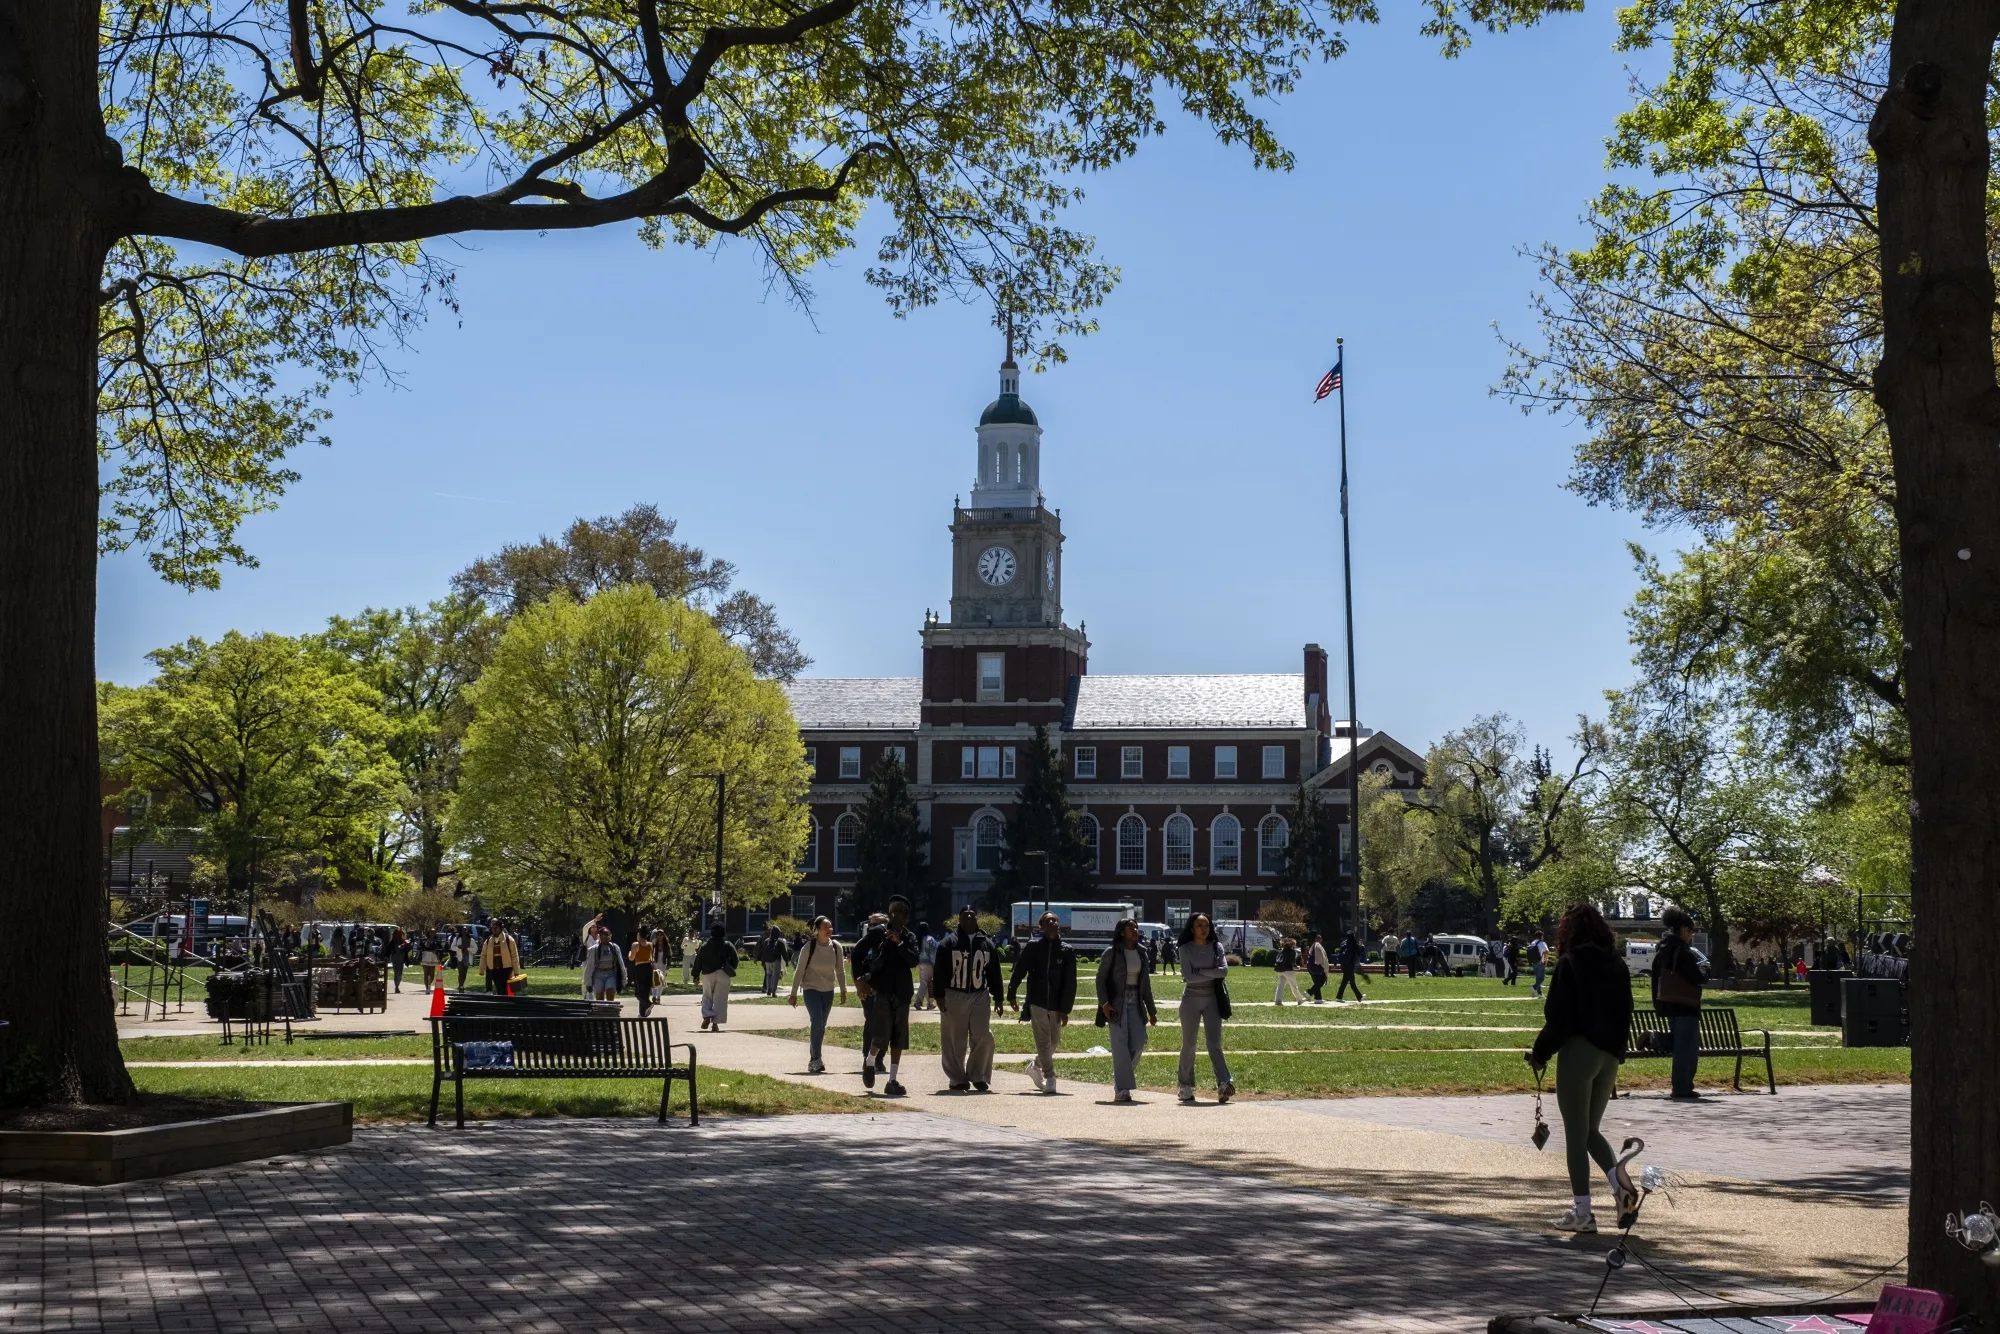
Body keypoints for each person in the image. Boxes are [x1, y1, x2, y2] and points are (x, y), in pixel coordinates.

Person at [1527, 902, 1639, 1234]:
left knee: (1575, 1135)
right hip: (1609, 1055)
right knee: (1591, 1130)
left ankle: (1583, 1211)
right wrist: (1617, 1051)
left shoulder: (1570, 964)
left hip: (1579, 1051)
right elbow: (1627, 1010)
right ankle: (1620, 1188)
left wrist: (1540, 1053)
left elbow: (1559, 1017)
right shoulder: (1617, 964)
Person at [851, 897, 919, 1095]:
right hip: (882, 990)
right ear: (892, 914)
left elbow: (914, 959)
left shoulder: (909, 936)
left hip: (903, 992)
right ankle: (870, 1061)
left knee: (899, 1037)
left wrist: (899, 944)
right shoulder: (878, 933)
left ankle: (892, 1080)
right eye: (902, 912)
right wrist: (859, 981)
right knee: (880, 1034)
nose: (906, 916)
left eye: (908, 912)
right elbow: (857, 952)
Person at [935, 904, 1005, 1092]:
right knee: (954, 1039)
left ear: (977, 919)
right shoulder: (948, 943)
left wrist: (999, 997)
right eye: (964, 916)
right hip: (953, 994)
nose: (968, 919)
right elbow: (939, 971)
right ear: (959, 920)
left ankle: (978, 1075)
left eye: (972, 916)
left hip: (979, 994)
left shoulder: (987, 944)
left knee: (983, 1035)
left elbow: (994, 973)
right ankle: (957, 1078)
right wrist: (939, 995)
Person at [1009, 910, 1079, 1094]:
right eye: (1049, 921)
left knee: (1054, 1041)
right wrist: (1012, 993)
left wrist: (1065, 1009)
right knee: (1043, 1042)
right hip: (1037, 1001)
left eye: (1055, 920)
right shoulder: (1033, 947)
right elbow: (1019, 971)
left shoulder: (1066, 950)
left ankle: (1035, 1065)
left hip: (1056, 1003)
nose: (1053, 923)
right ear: (1041, 926)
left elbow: (1070, 983)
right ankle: (1050, 1077)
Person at [1096, 918, 1159, 1103]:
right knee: (1120, 1045)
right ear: (1122, 932)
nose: (1135, 930)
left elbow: (1145, 984)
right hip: (1117, 1003)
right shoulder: (1112, 952)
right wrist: (1104, 1003)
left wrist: (1152, 1010)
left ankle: (1121, 1077)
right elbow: (1100, 979)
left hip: (1136, 1002)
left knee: (1139, 1042)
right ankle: (1122, 1089)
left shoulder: (1142, 953)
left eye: (1136, 927)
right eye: (1131, 928)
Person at [1176, 912, 1233, 1104]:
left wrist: (1199, 971)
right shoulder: (1185, 948)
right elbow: (1188, 977)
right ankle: (1185, 1086)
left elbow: (1224, 971)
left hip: (1212, 999)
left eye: (1206, 925)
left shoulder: (1216, 947)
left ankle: (1224, 1083)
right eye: (1199, 925)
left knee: (1214, 1045)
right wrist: (1211, 973)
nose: (1203, 929)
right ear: (1192, 928)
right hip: (1190, 998)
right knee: (1189, 1045)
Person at [1652, 906, 1707, 1100]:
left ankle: (1656, 1039)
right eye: (1691, 932)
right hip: (1686, 1004)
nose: (1691, 936)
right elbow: (1696, 978)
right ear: (1684, 930)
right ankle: (1682, 1087)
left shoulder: (1663, 948)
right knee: (1687, 1048)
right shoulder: (1683, 951)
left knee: (1679, 1042)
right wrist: (1704, 972)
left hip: (1669, 1001)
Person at [788, 915, 848, 1074]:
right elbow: (799, 971)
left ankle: (814, 1058)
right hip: (811, 989)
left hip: (828, 990)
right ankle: (816, 1059)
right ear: (817, 930)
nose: (829, 930)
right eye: (825, 927)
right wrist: (793, 993)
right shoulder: (809, 947)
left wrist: (843, 990)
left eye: (831, 927)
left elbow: (840, 971)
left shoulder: (836, 947)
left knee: (821, 1027)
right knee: (817, 1021)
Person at [692, 924, 739, 1030]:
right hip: (723, 973)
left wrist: (696, 975)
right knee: (720, 999)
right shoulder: (727, 944)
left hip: (708, 973)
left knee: (707, 996)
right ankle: (715, 1024)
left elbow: (698, 961)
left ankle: (707, 1015)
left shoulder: (705, 946)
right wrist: (730, 967)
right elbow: (735, 960)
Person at [583, 924, 625, 1002]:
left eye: (607, 935)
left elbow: (621, 964)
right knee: (600, 1000)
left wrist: (624, 979)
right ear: (599, 936)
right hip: (598, 974)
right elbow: (590, 966)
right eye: (603, 935)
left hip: (611, 973)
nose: (606, 937)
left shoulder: (615, 948)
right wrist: (588, 983)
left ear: (611, 936)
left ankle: (610, 1013)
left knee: (610, 996)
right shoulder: (594, 949)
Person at [481, 920, 520, 994]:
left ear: (501, 928)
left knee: (504, 987)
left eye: (496, 927)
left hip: (506, 968)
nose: (494, 929)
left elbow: (514, 955)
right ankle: (501, 1003)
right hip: (493, 968)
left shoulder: (509, 939)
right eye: (493, 927)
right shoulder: (488, 940)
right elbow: (483, 955)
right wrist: (481, 969)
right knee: (498, 987)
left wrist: (516, 971)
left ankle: (504, 1003)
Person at [629, 926, 657, 1017]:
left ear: (638, 935)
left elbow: (631, 958)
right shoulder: (650, 944)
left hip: (640, 967)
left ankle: (648, 1004)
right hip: (649, 967)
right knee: (645, 991)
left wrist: (629, 953)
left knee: (638, 992)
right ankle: (642, 1013)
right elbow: (652, 957)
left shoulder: (635, 945)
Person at [757, 925, 789, 997]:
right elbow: (784, 953)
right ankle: (773, 992)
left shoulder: (766, 941)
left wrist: (763, 961)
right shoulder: (780, 942)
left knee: (769, 974)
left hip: (767, 961)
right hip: (776, 960)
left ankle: (768, 989)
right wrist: (786, 961)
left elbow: (763, 951)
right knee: (775, 976)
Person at [1273, 937, 1306, 1005]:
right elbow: (1293, 963)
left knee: (1280, 985)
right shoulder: (1292, 952)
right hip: (1288, 971)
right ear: (1291, 944)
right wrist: (1297, 967)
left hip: (1280, 970)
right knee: (1293, 985)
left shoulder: (1281, 951)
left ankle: (1278, 1000)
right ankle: (1299, 999)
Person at [915, 922, 940, 1011]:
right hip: (928, 964)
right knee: (925, 983)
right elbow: (933, 953)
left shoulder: (917, 939)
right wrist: (935, 964)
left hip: (919, 964)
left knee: (925, 984)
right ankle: (917, 1001)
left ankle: (930, 1003)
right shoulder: (930, 939)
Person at [1335, 931, 1365, 1002]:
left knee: (1352, 982)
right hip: (1350, 965)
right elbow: (1359, 953)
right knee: (1345, 982)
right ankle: (1339, 997)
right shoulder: (1354, 943)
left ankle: (1359, 997)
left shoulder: (1343, 943)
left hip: (1344, 965)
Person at [1304, 932, 1330, 1003]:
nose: (1320, 938)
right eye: (1318, 937)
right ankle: (1309, 992)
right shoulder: (1317, 945)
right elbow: (1319, 956)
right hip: (1317, 966)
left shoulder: (1313, 945)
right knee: (1321, 980)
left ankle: (1318, 999)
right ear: (1315, 938)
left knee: (1317, 982)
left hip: (1311, 967)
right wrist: (1320, 964)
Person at [1528, 929, 1550, 997]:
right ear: (1541, 936)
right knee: (1541, 978)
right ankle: (1534, 987)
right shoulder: (1542, 943)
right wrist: (1546, 961)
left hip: (1534, 962)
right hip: (1540, 962)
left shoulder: (1533, 943)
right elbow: (1546, 952)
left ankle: (1539, 993)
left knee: (1538, 978)